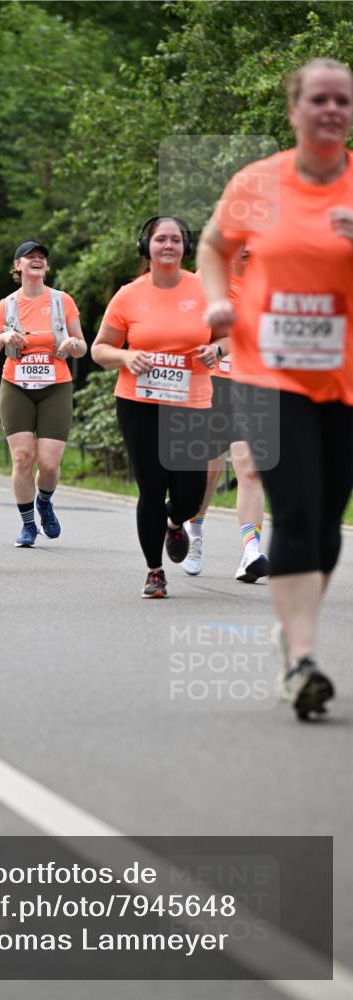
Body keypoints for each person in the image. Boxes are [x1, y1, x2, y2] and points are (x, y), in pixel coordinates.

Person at [197, 58, 353, 719]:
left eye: (341, 101)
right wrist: (214, 302)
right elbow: (211, 245)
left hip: (342, 379)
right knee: (292, 508)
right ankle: (300, 658)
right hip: (267, 373)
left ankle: (292, 635)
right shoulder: (256, 182)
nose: (330, 110)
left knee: (325, 523)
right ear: (293, 110)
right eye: (317, 99)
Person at [92, 216, 224, 598]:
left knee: (190, 492)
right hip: (139, 403)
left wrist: (217, 349)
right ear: (146, 247)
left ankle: (174, 522)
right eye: (160, 239)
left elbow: (232, 335)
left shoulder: (205, 289)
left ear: (185, 247)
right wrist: (125, 357)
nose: (168, 245)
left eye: (176, 240)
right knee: (151, 488)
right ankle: (154, 572)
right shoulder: (128, 295)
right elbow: (100, 348)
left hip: (192, 402)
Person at [182, 248, 270, 583]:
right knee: (209, 469)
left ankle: (250, 552)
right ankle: (195, 530)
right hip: (213, 382)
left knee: (251, 470)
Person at [0, 241, 86, 546]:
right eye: (29, 257)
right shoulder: (5, 305)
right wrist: (4, 335)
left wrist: (73, 345)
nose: (36, 260)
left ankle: (44, 501)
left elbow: (82, 344)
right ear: (17, 266)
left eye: (41, 258)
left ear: (45, 267)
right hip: (16, 385)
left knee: (48, 463)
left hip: (56, 386)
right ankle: (28, 525)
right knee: (22, 458)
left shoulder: (62, 301)